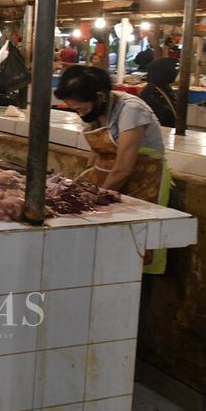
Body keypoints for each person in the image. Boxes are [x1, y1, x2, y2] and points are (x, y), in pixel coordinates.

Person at [54, 65, 168, 273]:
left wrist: (97, 201)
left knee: (134, 248)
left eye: (82, 109)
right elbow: (97, 152)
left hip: (143, 182)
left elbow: (124, 167)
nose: (80, 114)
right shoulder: (100, 108)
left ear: (99, 96)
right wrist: (84, 186)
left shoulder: (131, 110)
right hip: (112, 183)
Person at [139, 57, 178, 128]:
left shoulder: (165, 87)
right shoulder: (150, 93)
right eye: (173, 69)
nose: (176, 72)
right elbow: (163, 118)